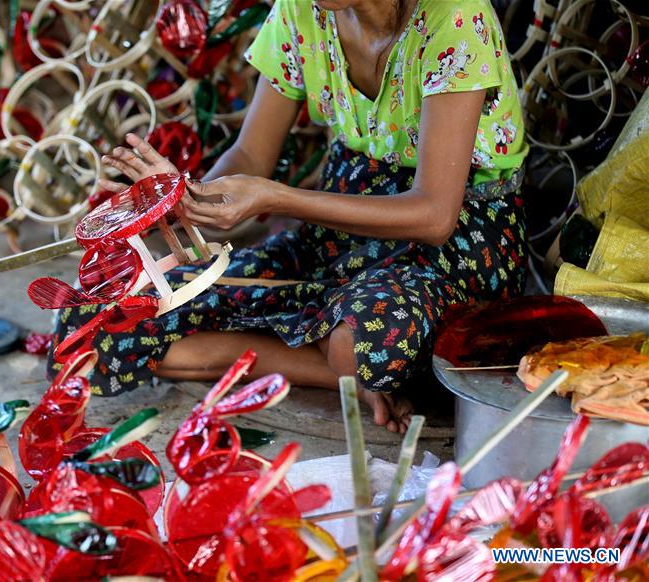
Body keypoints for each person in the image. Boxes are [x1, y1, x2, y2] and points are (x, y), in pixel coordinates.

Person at [51, 0, 528, 434]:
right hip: (335, 237)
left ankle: (338, 356)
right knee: (97, 326)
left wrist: (277, 199)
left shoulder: (455, 17)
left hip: (452, 254)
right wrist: (180, 198)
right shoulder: (303, 9)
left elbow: (433, 215)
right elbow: (251, 158)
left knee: (364, 342)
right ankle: (339, 365)